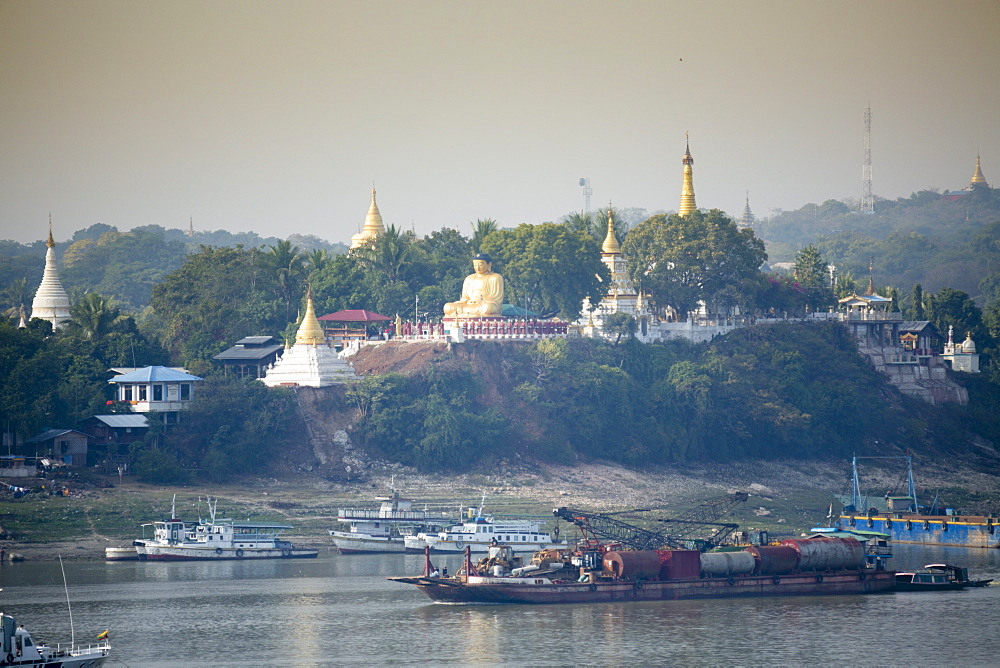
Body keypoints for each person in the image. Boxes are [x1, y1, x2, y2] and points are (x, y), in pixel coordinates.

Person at [443, 253, 504, 318]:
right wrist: (466, 301)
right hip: (469, 304)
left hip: (484, 305)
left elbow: (496, 297)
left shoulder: (495, 277)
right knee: (448, 306)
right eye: (475, 265)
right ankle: (465, 314)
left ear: (489, 264)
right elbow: (465, 297)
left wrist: (479, 301)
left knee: (488, 307)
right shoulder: (469, 278)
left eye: (480, 265)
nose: (477, 267)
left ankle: (465, 314)